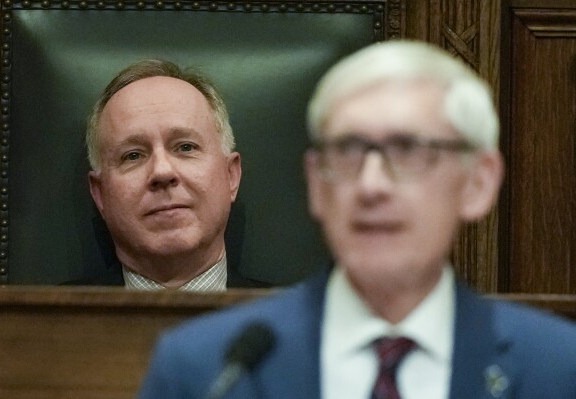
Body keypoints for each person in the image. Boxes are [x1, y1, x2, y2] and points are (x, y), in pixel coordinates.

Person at [138, 41, 576, 398]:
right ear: (316, 184)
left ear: (477, 183)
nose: (371, 185)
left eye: (407, 151)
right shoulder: (204, 369)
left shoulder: (558, 368)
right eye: (347, 151)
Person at [85, 59, 245, 290]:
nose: (162, 171)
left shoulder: (304, 322)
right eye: (133, 156)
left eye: (185, 147)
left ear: (231, 176)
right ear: (100, 195)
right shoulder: (38, 323)